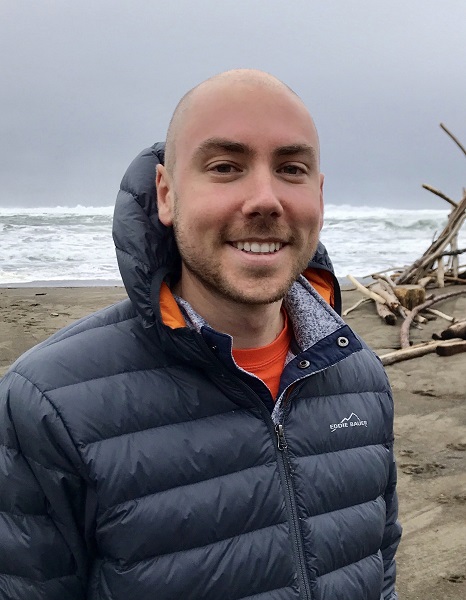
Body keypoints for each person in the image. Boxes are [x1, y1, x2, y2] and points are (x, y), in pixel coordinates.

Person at [0, 69, 401, 600]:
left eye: (291, 168)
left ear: (319, 195)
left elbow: (380, 574)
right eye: (225, 167)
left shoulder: (361, 378)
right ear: (166, 194)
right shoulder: (47, 404)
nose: (265, 198)